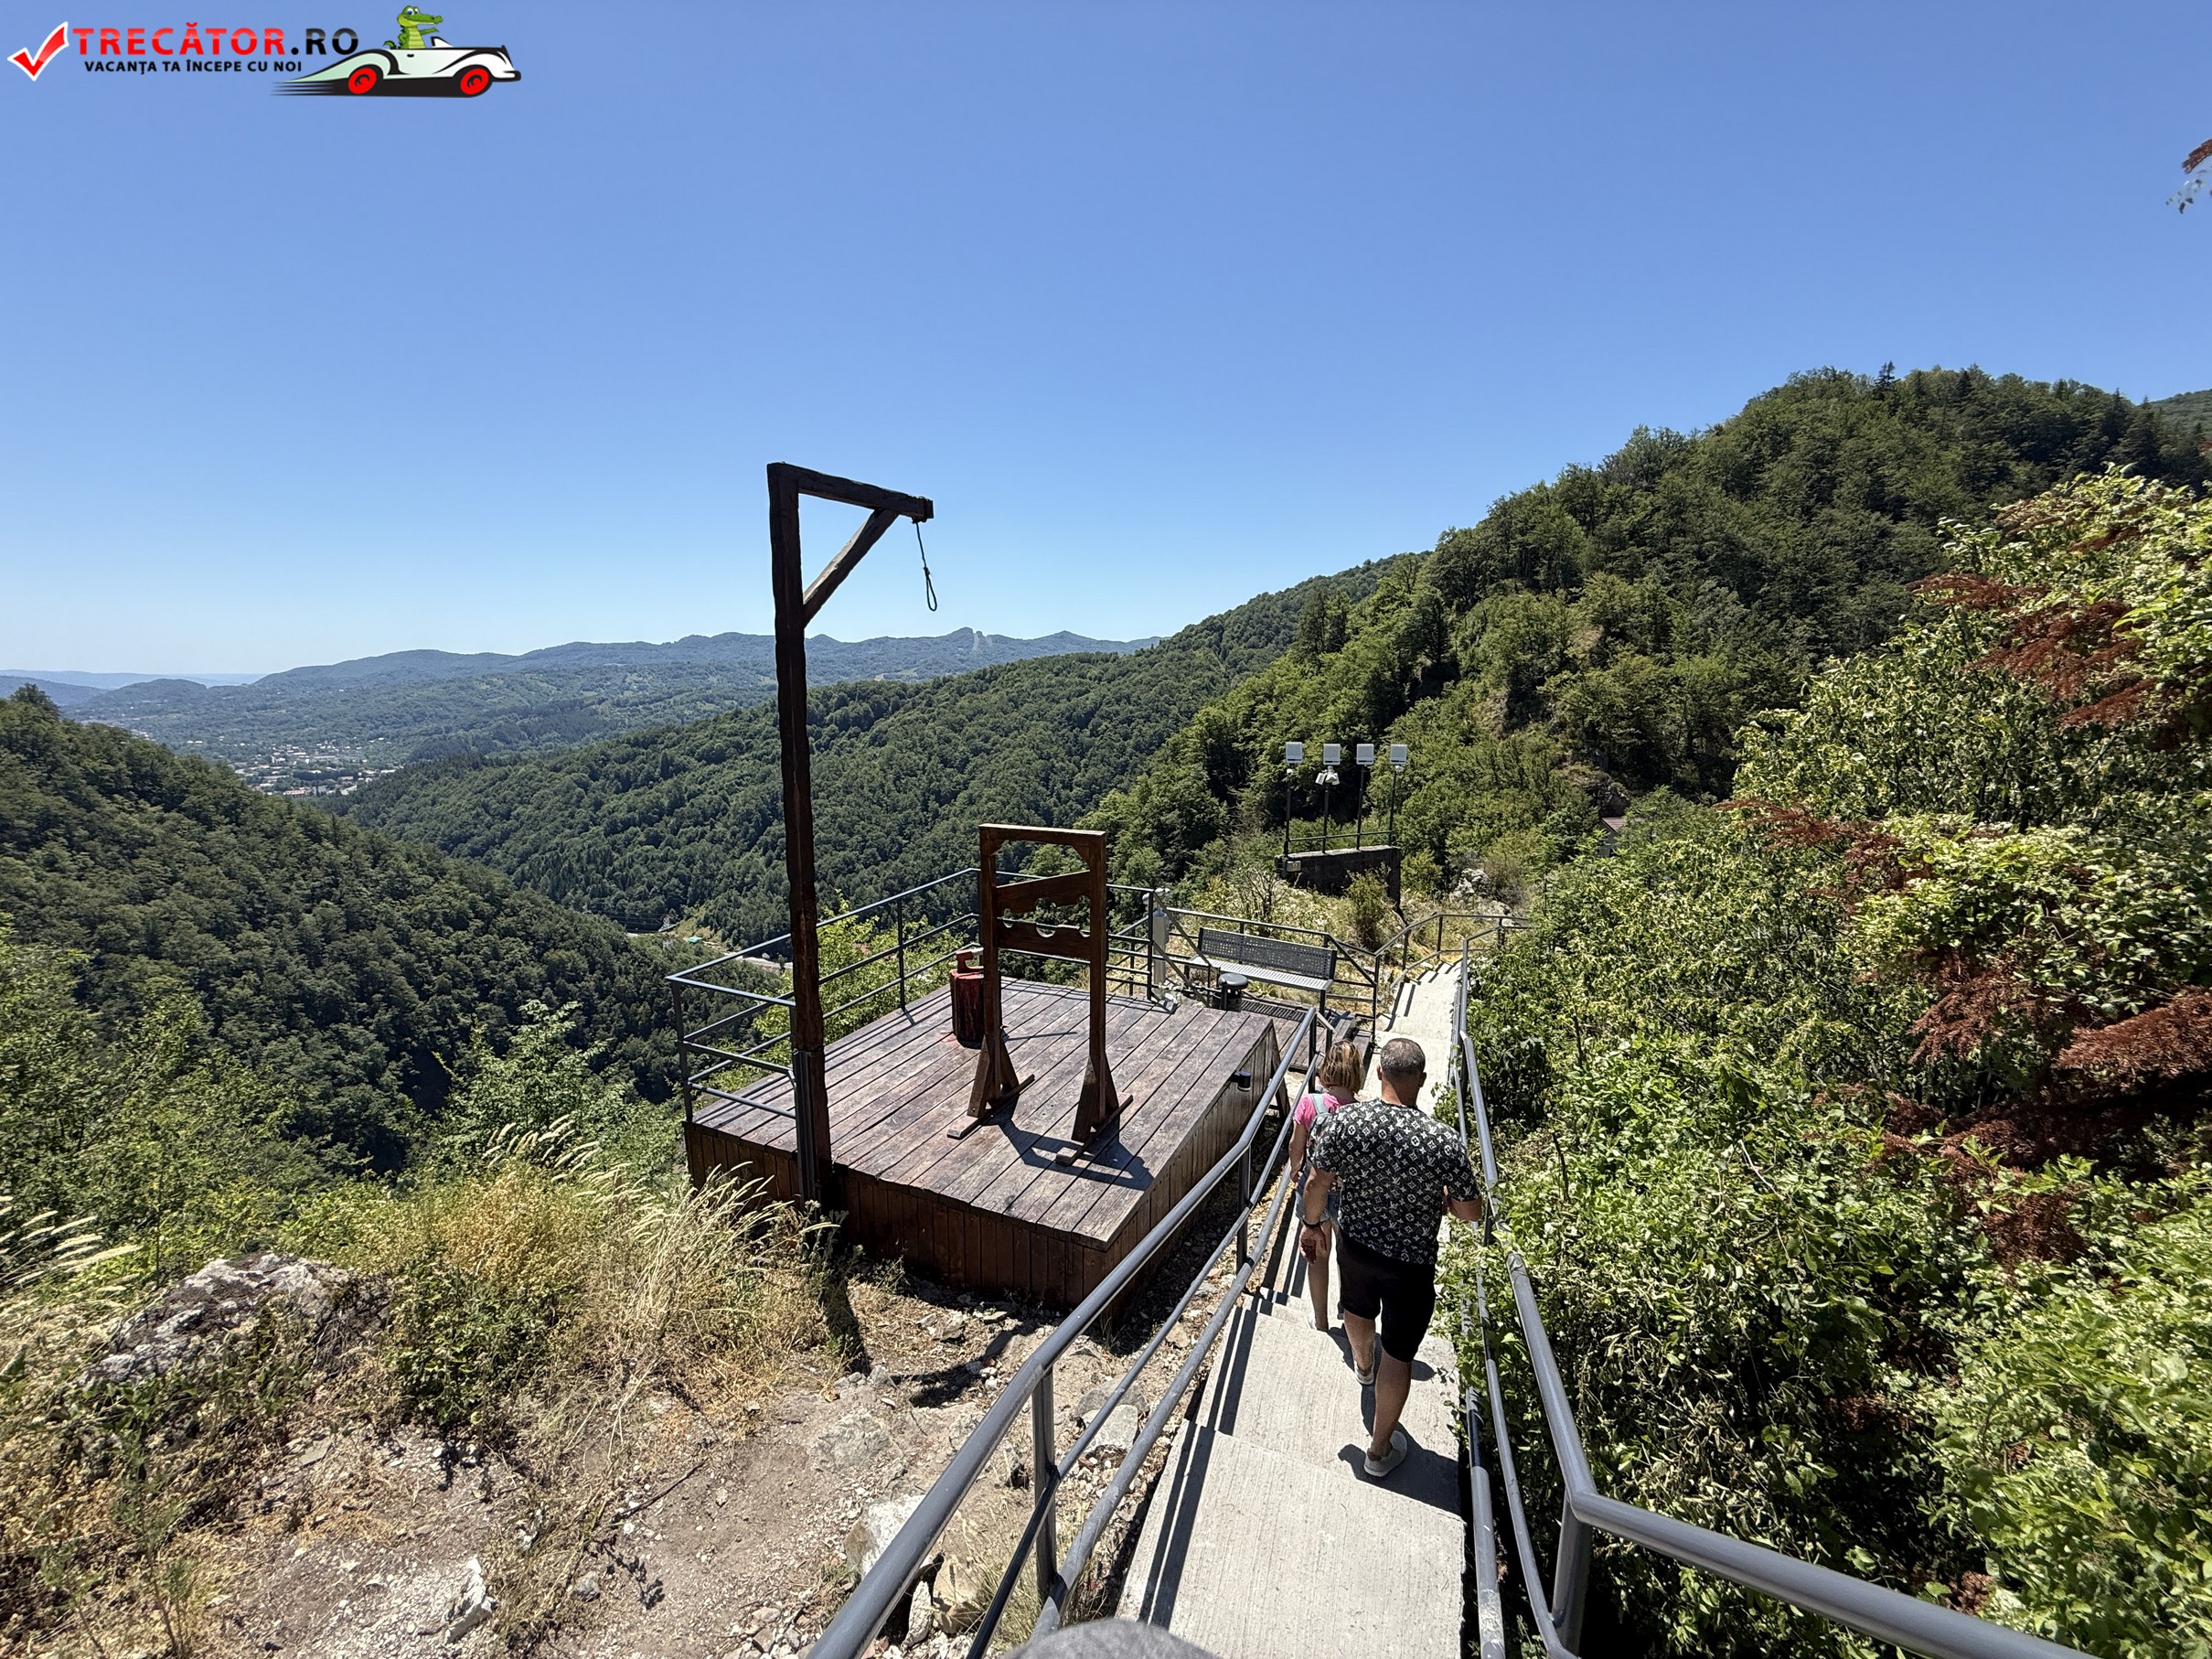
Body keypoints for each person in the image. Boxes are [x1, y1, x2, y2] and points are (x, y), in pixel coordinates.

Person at [1298, 1036, 1482, 1480]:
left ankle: (1363, 1365)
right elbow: (1471, 1212)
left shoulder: (1348, 1122)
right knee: (1399, 1355)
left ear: (1379, 1073)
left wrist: (1311, 1225)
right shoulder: (1443, 1141)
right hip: (1411, 1263)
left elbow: (1317, 1182)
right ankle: (1379, 1452)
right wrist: (1444, 1199)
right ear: (1422, 1079)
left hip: (1357, 1248)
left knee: (1357, 1310)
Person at [1285, 1040, 1364, 1332]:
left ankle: (1320, 1320)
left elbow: (1296, 1146)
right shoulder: (1362, 1114)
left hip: (1313, 1189)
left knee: (1317, 1254)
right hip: (1348, 1195)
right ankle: (1347, 1311)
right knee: (1348, 1257)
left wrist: (1296, 1168)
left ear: (1326, 1070)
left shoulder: (1310, 1103)